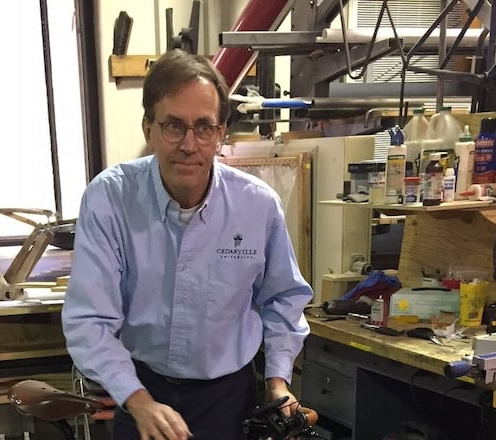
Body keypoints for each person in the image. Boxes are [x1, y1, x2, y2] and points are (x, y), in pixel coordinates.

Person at [61, 49, 313, 440]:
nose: (189, 144)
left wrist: (277, 380)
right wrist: (138, 400)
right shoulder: (110, 199)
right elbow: (89, 320)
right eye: (173, 126)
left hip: (229, 397)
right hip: (142, 388)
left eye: (204, 127)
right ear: (149, 129)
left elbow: (283, 299)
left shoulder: (257, 206)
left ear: (221, 133)